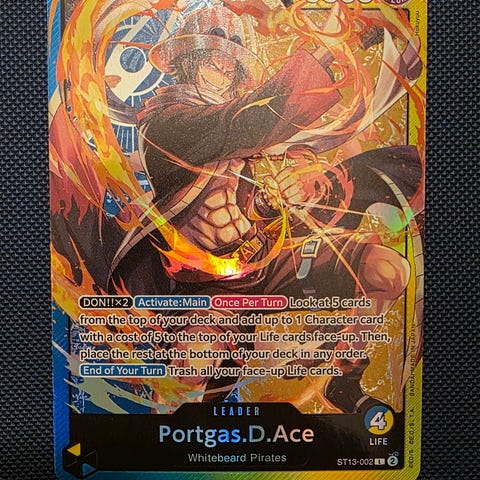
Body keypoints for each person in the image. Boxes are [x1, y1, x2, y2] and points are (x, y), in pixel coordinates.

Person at [107, 6, 422, 412]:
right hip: (207, 285)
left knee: (388, 271)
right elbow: (244, 123)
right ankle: (170, 430)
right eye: (212, 58)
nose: (222, 69)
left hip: (265, 262)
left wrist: (292, 187)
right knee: (191, 369)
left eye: (230, 62)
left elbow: (266, 181)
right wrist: (328, 47)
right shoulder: (167, 122)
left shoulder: (244, 136)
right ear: (188, 60)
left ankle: (343, 376)